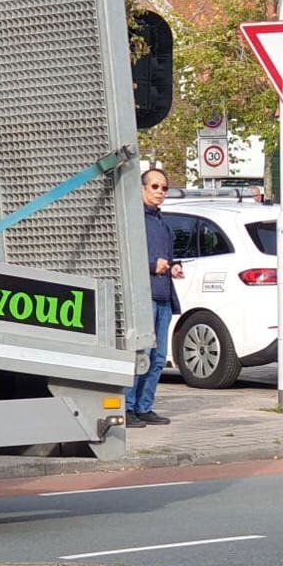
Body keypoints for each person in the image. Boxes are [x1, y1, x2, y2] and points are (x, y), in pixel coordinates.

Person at [127, 168, 182, 427]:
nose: (160, 192)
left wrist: (173, 266)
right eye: (155, 187)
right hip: (144, 296)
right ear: (142, 188)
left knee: (159, 357)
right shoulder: (135, 220)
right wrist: (152, 266)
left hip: (163, 296)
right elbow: (128, 257)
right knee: (141, 354)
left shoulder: (162, 221)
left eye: (164, 188)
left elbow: (166, 257)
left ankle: (144, 407)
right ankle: (127, 408)